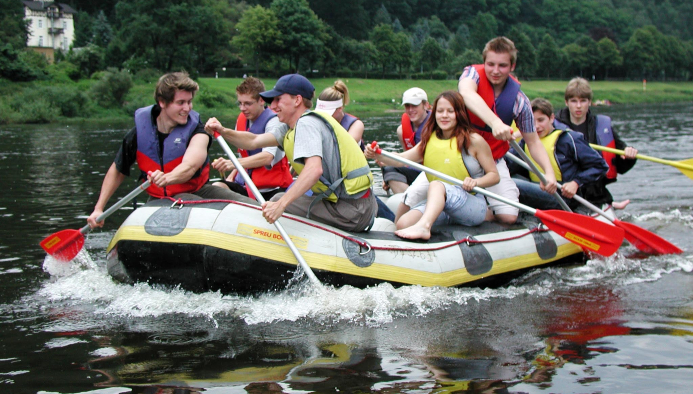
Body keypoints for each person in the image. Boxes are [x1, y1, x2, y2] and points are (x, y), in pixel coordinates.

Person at [205, 74, 377, 233]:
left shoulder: (306, 125)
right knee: (279, 198)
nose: (272, 106)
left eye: (278, 99)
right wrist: (223, 131)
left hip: (353, 210)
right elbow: (253, 141)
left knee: (277, 201)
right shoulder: (291, 126)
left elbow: (314, 170)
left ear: (297, 100)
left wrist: (281, 205)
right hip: (349, 205)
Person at [87, 72, 254, 229]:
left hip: (198, 190)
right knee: (191, 203)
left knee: (250, 208)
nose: (187, 108)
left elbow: (189, 167)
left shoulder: (198, 130)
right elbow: (118, 170)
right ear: (162, 102)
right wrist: (99, 208)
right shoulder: (139, 132)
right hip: (159, 199)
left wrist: (167, 178)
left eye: (189, 102)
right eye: (180, 103)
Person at [365, 91, 499, 240]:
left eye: (450, 111)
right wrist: (378, 154)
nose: (444, 115)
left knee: (436, 185)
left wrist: (476, 182)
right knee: (403, 223)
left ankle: (425, 227)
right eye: (440, 111)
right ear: (434, 113)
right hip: (444, 206)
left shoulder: (474, 141)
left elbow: (494, 175)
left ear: (459, 113)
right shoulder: (429, 139)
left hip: (471, 202)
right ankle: (434, 223)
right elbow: (401, 160)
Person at [458, 36, 557, 224]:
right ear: (484, 62)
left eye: (502, 65)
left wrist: (548, 173)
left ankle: (484, 210)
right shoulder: (472, 75)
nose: (495, 71)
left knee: (509, 216)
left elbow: (533, 141)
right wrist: (495, 123)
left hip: (493, 161)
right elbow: (466, 93)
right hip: (459, 154)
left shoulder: (520, 101)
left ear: (512, 66)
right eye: (490, 64)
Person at [316, 80, 396, 222]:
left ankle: (394, 221)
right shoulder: (319, 123)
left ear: (340, 109)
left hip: (353, 186)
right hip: (331, 184)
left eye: (327, 114)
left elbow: (342, 149)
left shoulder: (355, 124)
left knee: (387, 217)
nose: (323, 118)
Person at [508, 98, 609, 210]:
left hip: (561, 196)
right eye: (532, 121)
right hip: (537, 189)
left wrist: (576, 183)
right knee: (503, 178)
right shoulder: (525, 141)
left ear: (551, 118)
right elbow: (509, 166)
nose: (536, 126)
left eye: (541, 120)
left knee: (513, 184)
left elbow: (600, 166)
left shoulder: (570, 139)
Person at [554, 77, 638, 208]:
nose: (578, 106)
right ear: (566, 102)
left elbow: (621, 166)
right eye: (573, 101)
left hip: (595, 193)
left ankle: (608, 206)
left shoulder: (601, 126)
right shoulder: (553, 127)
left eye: (583, 101)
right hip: (562, 190)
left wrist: (629, 156)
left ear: (589, 102)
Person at [211, 77, 293, 201]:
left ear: (261, 100)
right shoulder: (242, 119)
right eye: (240, 103)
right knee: (217, 187)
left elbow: (267, 157)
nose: (242, 108)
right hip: (246, 185)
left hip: (272, 190)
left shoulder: (275, 122)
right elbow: (243, 156)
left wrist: (231, 164)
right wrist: (232, 176)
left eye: (248, 104)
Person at [379, 87, 431, 194]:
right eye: (407, 106)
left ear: (426, 105)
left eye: (415, 105)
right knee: (388, 167)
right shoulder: (401, 131)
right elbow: (407, 161)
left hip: (432, 173)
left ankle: (411, 202)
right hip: (417, 171)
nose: (410, 110)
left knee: (390, 163)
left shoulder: (436, 126)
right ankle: (407, 201)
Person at [315, 80, 365, 150]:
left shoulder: (356, 125)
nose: (324, 117)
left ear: (340, 108)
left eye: (327, 113)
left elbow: (344, 148)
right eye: (321, 113)